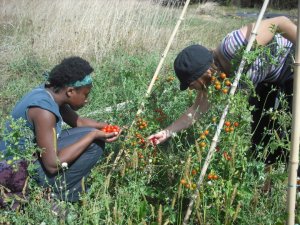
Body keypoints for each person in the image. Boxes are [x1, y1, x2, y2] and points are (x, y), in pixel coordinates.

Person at [148, 16, 296, 165]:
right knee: (261, 141)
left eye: (190, 84)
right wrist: (166, 132)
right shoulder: (216, 80)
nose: (191, 89)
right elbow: (196, 110)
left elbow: (280, 22)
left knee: (295, 132)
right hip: (268, 80)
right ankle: (268, 183)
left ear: (201, 75)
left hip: (292, 65)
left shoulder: (234, 46)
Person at [0, 56, 121, 203]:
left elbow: (80, 122)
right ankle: (57, 195)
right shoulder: (44, 112)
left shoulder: (52, 93)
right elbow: (52, 165)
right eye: (85, 94)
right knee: (93, 143)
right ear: (70, 91)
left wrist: (106, 126)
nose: (87, 99)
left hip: (29, 159)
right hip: (14, 172)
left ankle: (67, 188)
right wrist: (94, 135)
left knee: (88, 135)